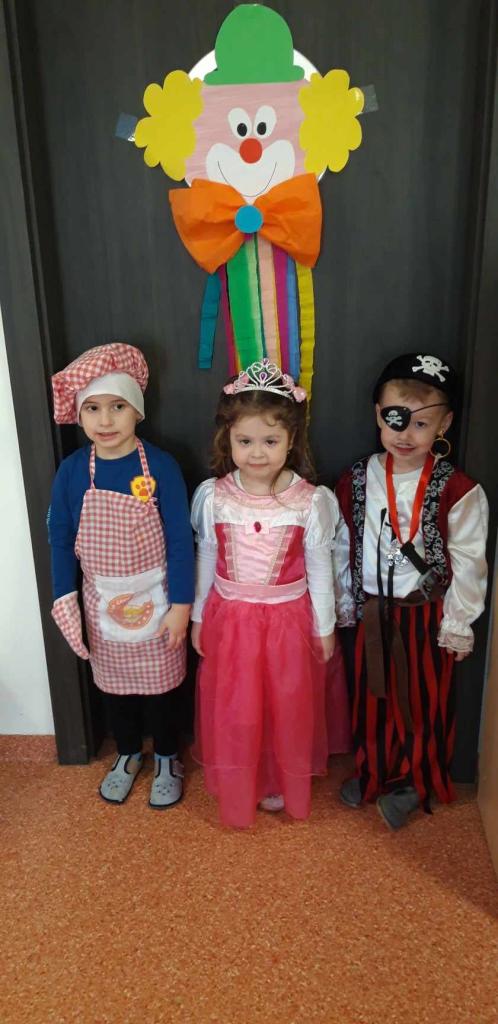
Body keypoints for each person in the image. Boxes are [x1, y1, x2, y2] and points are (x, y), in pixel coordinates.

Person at [334, 352, 488, 829]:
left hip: (424, 614)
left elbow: (469, 560)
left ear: (445, 423)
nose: (405, 435)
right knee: (371, 698)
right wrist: (344, 600)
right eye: (395, 419)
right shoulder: (356, 478)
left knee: (420, 700)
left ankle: (415, 781)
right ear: (378, 414)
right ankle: (374, 770)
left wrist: (459, 622)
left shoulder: (458, 489)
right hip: (372, 611)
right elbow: (342, 542)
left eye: (421, 424)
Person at [190, 358, 338, 828]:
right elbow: (205, 557)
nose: (257, 453)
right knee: (237, 706)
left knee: (284, 704)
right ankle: (242, 777)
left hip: (287, 622)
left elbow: (320, 567)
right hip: (231, 620)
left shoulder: (310, 501)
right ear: (227, 439)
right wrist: (198, 617)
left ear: (292, 440)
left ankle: (277, 779)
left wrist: (326, 626)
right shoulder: (215, 496)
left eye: (270, 441)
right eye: (245, 441)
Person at [48, 342, 194, 808]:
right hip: (102, 605)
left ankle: (167, 756)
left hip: (159, 602)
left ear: (138, 411)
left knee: (163, 689)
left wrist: (182, 606)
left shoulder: (161, 466)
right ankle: (128, 753)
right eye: (92, 408)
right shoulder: (72, 472)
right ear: (79, 415)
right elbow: (59, 539)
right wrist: (64, 598)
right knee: (115, 690)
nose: (105, 420)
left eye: (118, 406)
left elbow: (180, 540)